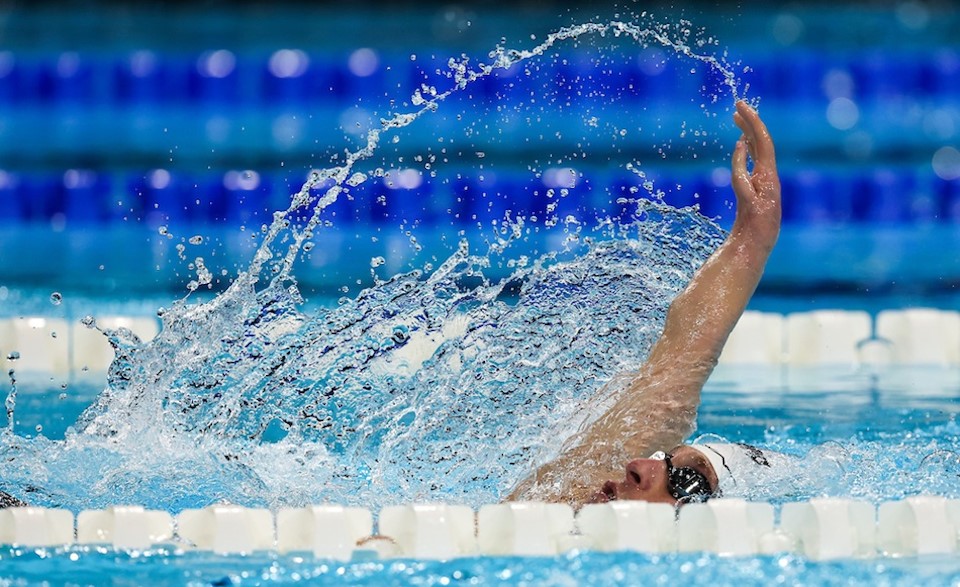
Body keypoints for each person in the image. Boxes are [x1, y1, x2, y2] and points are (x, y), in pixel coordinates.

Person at [507, 100, 782, 507]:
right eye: (661, 456)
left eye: (687, 481)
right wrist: (752, 237)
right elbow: (683, 358)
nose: (637, 465)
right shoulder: (571, 493)